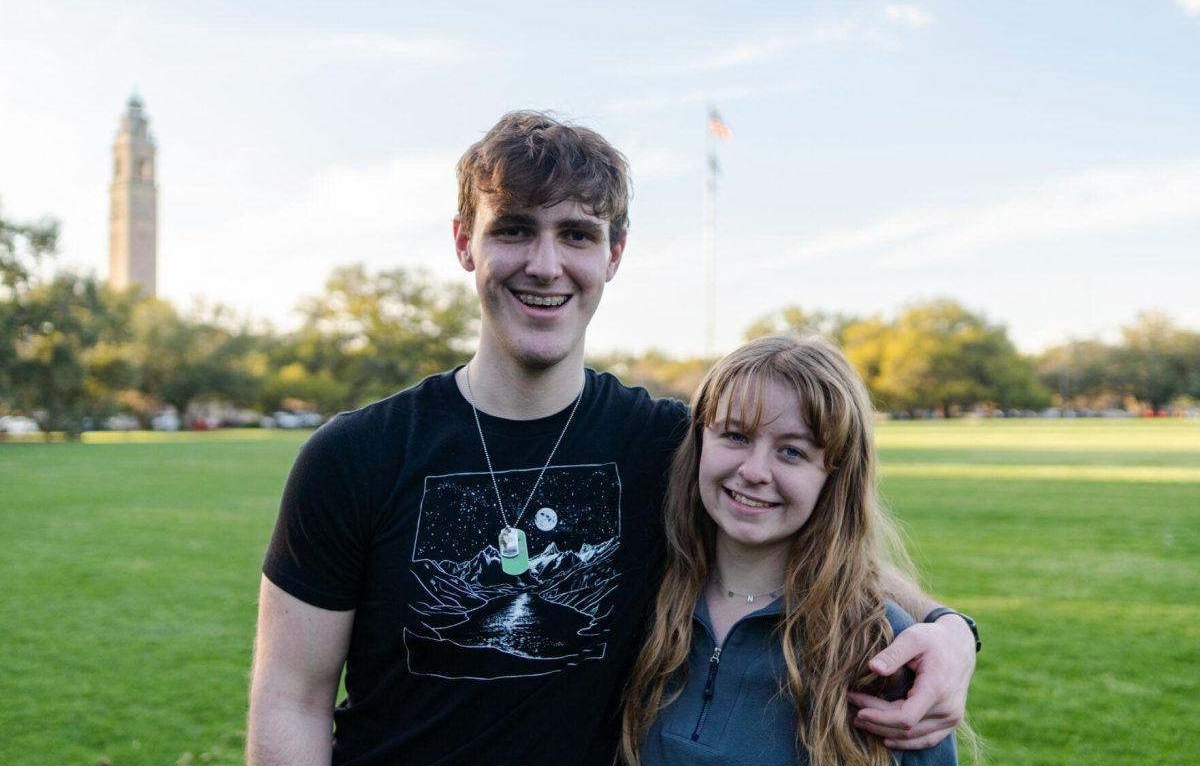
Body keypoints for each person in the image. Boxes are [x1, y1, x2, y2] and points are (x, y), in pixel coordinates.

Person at [246, 111, 978, 765]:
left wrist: (949, 628)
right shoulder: (353, 456)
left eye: (576, 234)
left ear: (614, 255)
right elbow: (290, 702)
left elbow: (813, 546)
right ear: (465, 243)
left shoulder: (666, 446)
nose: (544, 264)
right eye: (514, 229)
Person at [621, 336, 968, 765]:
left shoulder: (880, 649)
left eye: (791, 451)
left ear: (835, 476)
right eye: (735, 435)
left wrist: (954, 630)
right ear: (698, 443)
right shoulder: (640, 595)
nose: (753, 471)